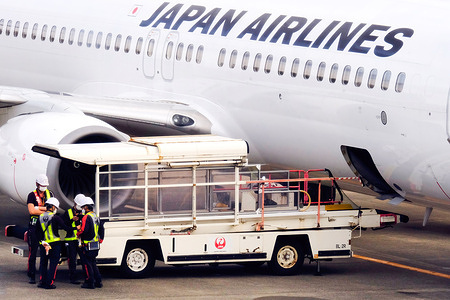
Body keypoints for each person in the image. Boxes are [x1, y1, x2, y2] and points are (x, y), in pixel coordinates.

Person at [36, 197, 72, 289]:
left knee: (43, 263)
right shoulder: (55, 217)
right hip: (55, 244)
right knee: (53, 264)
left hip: (44, 244)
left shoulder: (40, 217)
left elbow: (37, 232)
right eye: (55, 207)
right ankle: (49, 283)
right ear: (52, 207)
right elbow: (65, 227)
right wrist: (76, 227)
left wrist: (42, 242)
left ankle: (42, 282)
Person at [26, 174, 53, 284]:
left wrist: (39, 208)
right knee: (33, 252)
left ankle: (43, 274)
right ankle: (31, 274)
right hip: (34, 227)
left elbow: (53, 210)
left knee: (45, 252)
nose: (44, 187)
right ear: (37, 184)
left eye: (45, 185)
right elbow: (32, 211)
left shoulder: (49, 194)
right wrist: (46, 210)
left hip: (45, 227)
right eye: (42, 185)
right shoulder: (31, 195)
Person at [77, 197, 104, 289]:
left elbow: (84, 230)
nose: (83, 209)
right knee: (93, 263)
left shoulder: (86, 217)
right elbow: (101, 229)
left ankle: (90, 282)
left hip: (87, 244)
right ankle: (98, 281)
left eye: (83, 207)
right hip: (96, 243)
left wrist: (78, 233)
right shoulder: (96, 216)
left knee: (87, 264)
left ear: (86, 207)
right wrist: (101, 239)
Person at [62, 194, 85, 284]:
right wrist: (72, 220)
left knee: (84, 259)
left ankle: (87, 277)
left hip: (80, 239)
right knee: (72, 259)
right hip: (70, 239)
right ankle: (73, 278)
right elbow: (64, 225)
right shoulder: (68, 212)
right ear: (75, 204)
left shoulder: (84, 212)